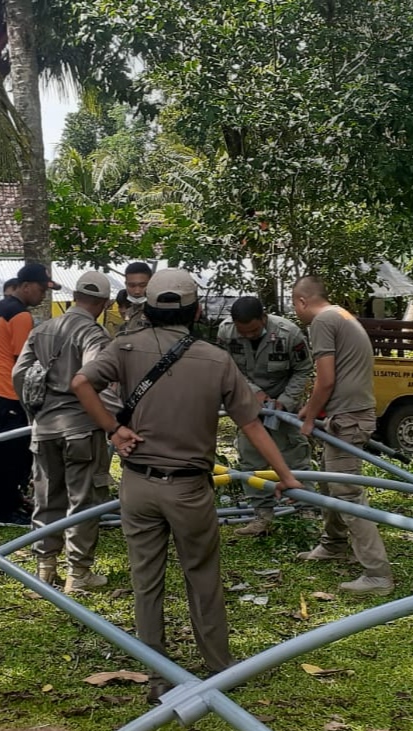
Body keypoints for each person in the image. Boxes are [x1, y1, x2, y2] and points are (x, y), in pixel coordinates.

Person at [72, 268, 302, 701]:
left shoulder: (122, 347)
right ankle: (218, 668)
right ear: (197, 311)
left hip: (138, 485)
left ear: (148, 307)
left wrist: (112, 430)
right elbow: (251, 424)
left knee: (146, 581)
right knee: (202, 578)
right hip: (189, 490)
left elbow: (81, 382)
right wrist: (285, 477)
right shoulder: (217, 360)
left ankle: (158, 676)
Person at [13, 271, 115, 592]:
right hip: (81, 429)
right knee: (83, 499)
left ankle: (46, 567)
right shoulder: (93, 334)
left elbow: (19, 374)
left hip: (44, 428)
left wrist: (35, 413)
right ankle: (79, 573)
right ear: (102, 303)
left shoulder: (42, 329)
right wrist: (110, 420)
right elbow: (94, 378)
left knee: (47, 495)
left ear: (74, 296)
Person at [292, 275, 394, 595]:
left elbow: (325, 380)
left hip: (349, 418)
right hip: (346, 414)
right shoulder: (341, 315)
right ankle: (333, 543)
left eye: (295, 307)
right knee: (328, 481)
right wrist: (310, 410)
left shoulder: (321, 321)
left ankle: (378, 574)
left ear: (302, 301)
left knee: (349, 493)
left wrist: (309, 419)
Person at [215, 295, 313, 537]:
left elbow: (303, 369)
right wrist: (253, 393)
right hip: (246, 402)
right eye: (243, 332)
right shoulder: (226, 333)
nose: (247, 336)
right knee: (250, 459)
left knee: (294, 453)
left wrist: (286, 402)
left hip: (283, 403)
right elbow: (225, 367)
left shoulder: (289, 333)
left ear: (264, 318)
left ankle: (305, 511)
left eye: (253, 330)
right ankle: (261, 515)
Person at [0, 263, 58, 525]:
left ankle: (0, 499)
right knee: (11, 451)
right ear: (26, 286)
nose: (43, 295)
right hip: (3, 391)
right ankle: (6, 508)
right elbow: (22, 361)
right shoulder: (21, 316)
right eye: (41, 289)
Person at [113, 261, 153, 336]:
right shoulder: (128, 315)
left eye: (142, 285)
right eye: (132, 286)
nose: (137, 291)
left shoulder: (160, 312)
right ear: (126, 284)